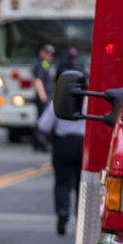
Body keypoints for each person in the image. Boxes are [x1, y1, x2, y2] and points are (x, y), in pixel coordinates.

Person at [36, 96, 85, 236]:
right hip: (85, 144)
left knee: (62, 183)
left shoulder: (61, 99)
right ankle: (81, 218)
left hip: (63, 143)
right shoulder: (93, 101)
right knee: (83, 185)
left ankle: (62, 211)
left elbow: (43, 125)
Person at [32, 44, 56, 152]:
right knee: (42, 119)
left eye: (51, 54)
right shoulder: (40, 64)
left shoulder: (46, 64)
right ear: (41, 53)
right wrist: (42, 95)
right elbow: (38, 81)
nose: (49, 56)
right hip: (43, 96)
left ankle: (38, 142)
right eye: (47, 53)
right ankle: (41, 142)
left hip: (48, 94)